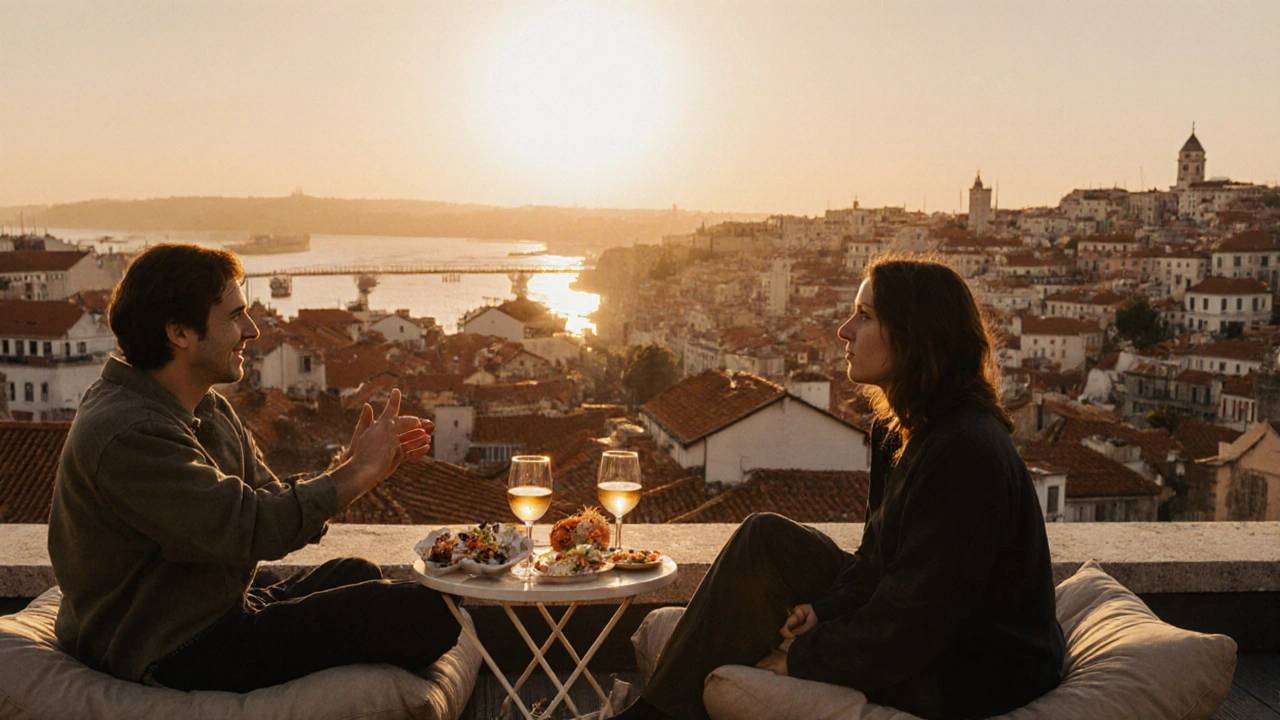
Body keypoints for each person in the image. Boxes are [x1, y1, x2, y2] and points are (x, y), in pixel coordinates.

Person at [617, 257, 1066, 720]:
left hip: (976, 670)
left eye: (864, 316)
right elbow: (876, 562)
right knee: (765, 538)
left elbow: (918, 617)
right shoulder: (899, 431)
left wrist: (802, 658)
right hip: (934, 630)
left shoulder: (965, 453)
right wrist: (825, 609)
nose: (844, 330)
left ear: (915, 336)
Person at [47, 243, 461, 692]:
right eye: (235, 316)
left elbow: (266, 496)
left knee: (357, 572)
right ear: (179, 332)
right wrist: (358, 473)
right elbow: (249, 527)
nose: (252, 330)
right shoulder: (129, 433)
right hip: (164, 645)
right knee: (429, 615)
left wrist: (348, 465)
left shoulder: (204, 405)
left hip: (201, 604)